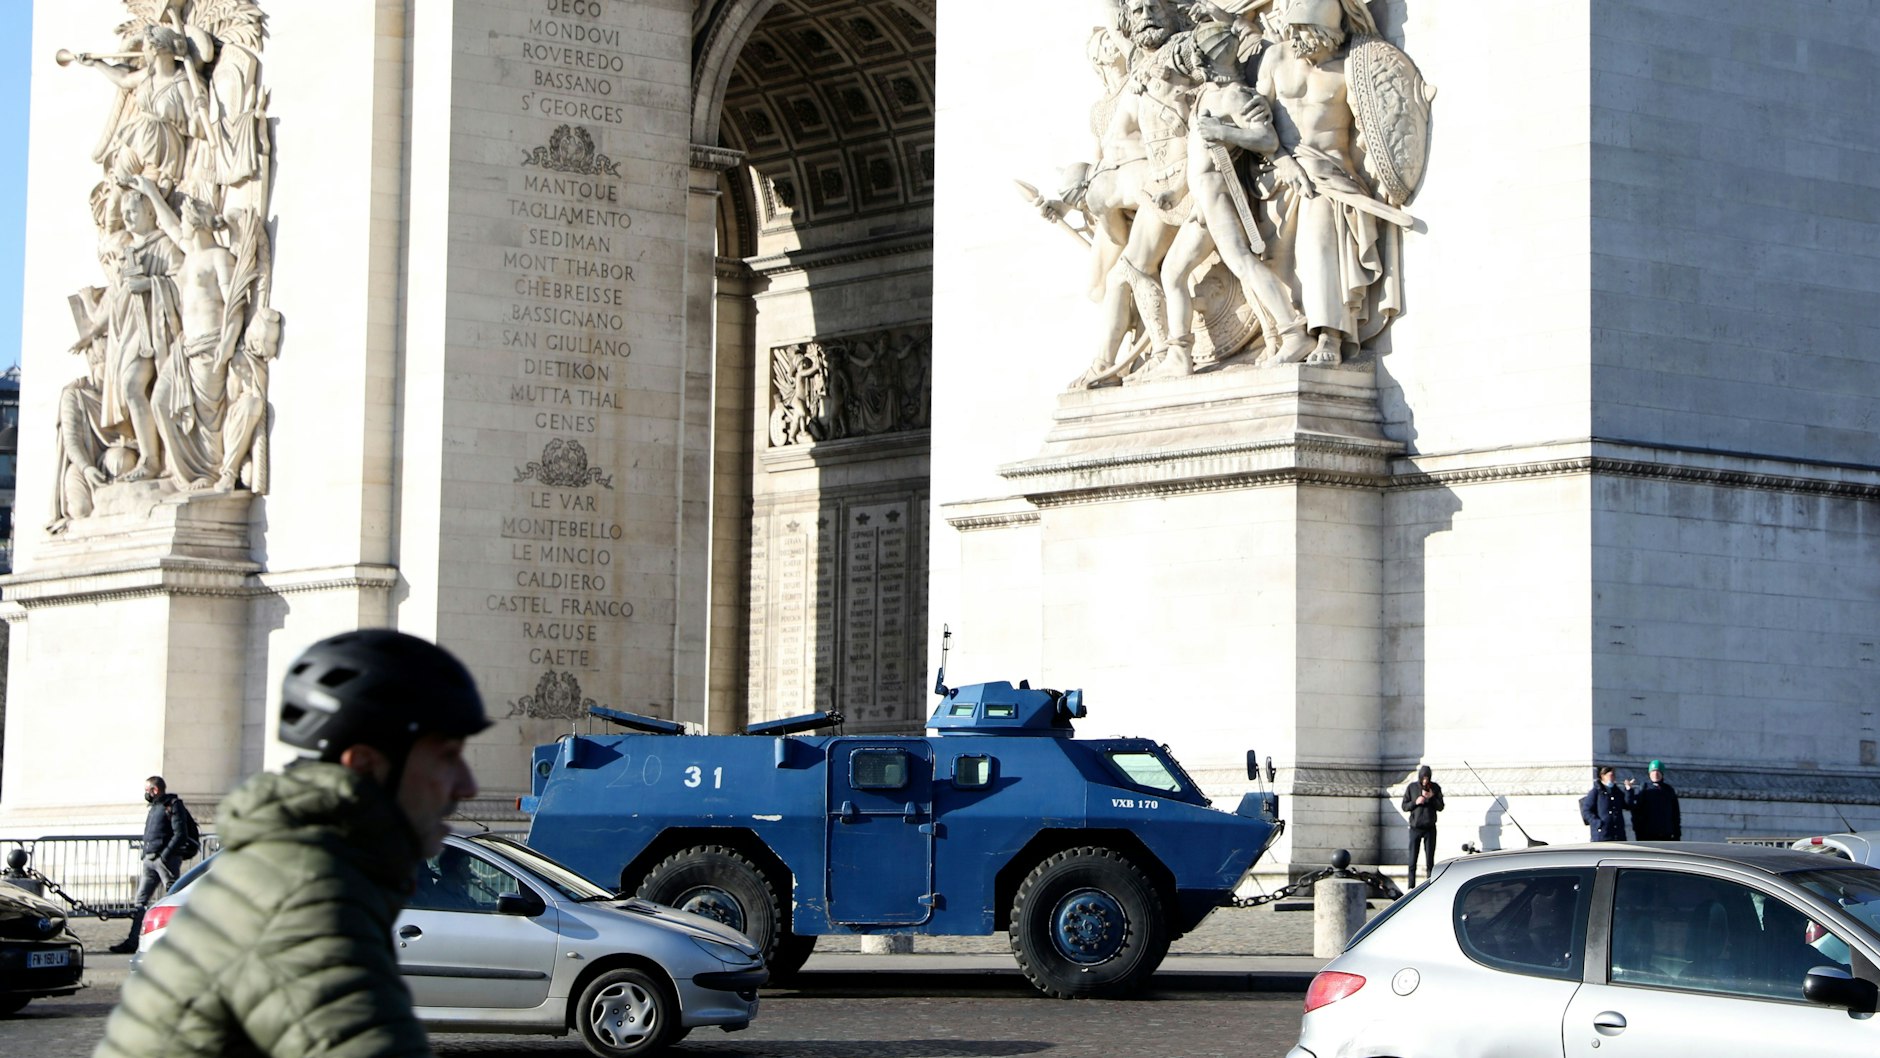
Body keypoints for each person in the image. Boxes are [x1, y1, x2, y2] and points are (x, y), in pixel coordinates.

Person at [93, 629, 490, 1058]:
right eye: (448, 757)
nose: (468, 786)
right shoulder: (307, 907)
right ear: (365, 766)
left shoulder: (292, 869)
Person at [107, 775, 194, 954]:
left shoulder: (172, 805)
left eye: (147, 789)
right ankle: (133, 941)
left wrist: (164, 856)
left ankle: (180, 939)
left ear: (155, 790)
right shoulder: (155, 807)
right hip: (150, 859)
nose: (145, 793)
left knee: (173, 897)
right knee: (140, 901)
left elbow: (180, 834)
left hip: (164, 860)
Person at [1400, 764, 1444, 888]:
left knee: (1430, 860)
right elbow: (1404, 806)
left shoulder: (1435, 788)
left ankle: (1430, 886)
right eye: (1423, 778)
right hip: (1415, 828)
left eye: (1427, 778)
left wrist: (1432, 797)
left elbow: (1441, 807)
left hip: (1430, 828)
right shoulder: (1412, 787)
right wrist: (1416, 802)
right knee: (1412, 860)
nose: (1425, 781)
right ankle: (1411, 887)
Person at [1580, 765, 1634, 841]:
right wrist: (1598, 823)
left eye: (1613, 776)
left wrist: (1629, 790)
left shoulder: (1617, 791)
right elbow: (1586, 810)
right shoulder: (1596, 791)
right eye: (1610, 776)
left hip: (1617, 834)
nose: (1612, 778)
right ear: (1603, 776)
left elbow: (1627, 805)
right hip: (1602, 835)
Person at [1631, 759, 1682, 841]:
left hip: (1666, 834)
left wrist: (1677, 833)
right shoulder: (1644, 789)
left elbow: (1675, 814)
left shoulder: (1668, 790)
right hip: (1647, 834)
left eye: (1658, 772)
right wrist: (1638, 830)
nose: (1655, 774)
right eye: (1653, 772)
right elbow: (1636, 812)